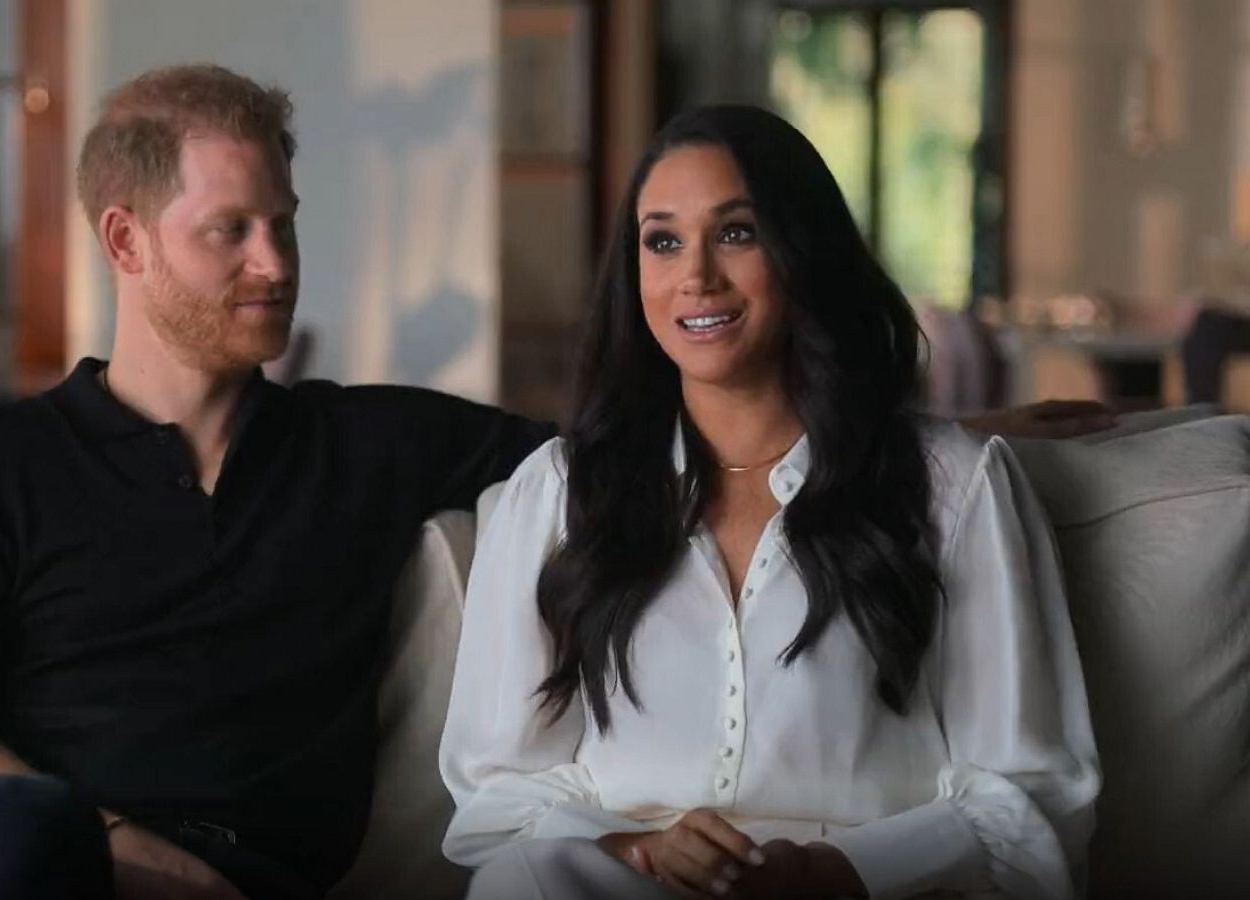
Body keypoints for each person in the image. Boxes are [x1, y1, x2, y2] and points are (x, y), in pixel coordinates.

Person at [0, 64, 552, 900]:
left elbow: (623, 466)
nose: (275, 264)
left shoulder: (369, 444)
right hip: (38, 869)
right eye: (232, 230)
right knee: (15, 825)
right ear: (125, 240)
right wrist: (117, 849)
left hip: (258, 879)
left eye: (282, 227)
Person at [439, 105, 1101, 900]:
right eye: (663, 240)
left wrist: (834, 872)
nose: (696, 276)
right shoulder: (557, 494)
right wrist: (640, 849)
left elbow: (1031, 796)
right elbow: (492, 806)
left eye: (736, 233)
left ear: (801, 252)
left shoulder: (951, 485)